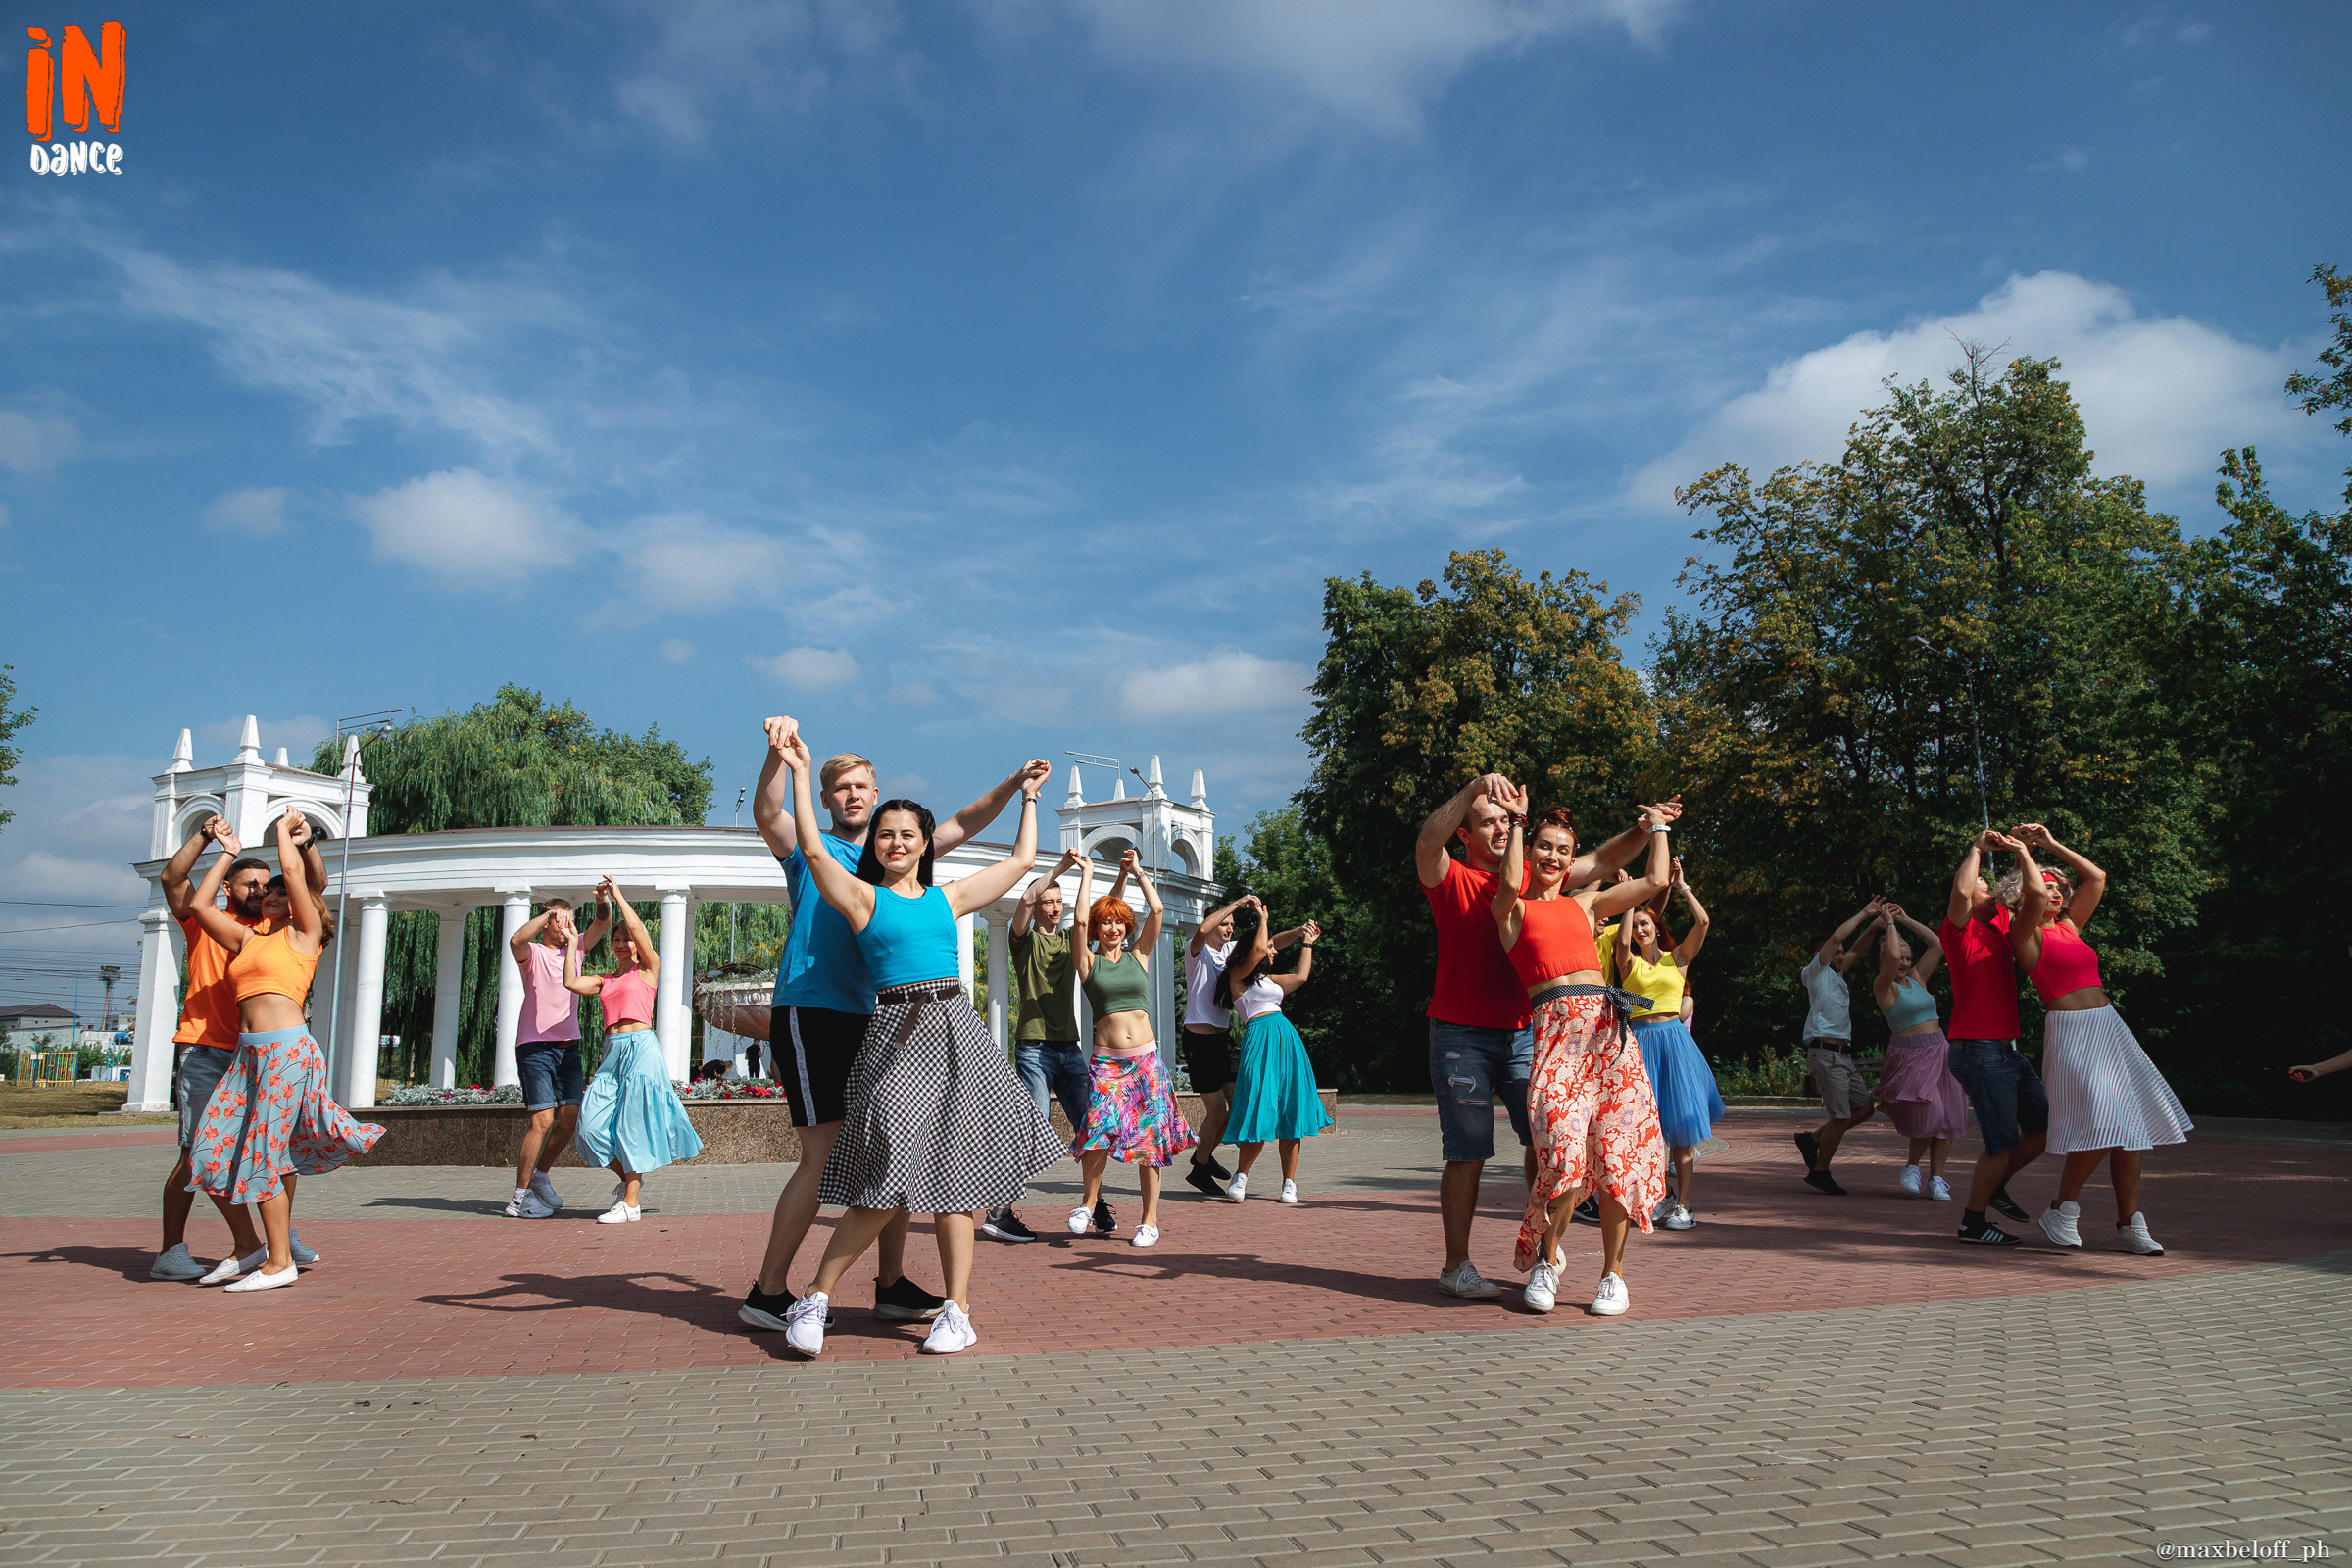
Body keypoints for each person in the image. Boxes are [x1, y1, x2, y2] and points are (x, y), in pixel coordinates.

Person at [738, 716, 1048, 1336]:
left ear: (879, 799)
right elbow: (767, 809)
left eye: (862, 786)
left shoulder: (894, 856)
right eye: (841, 787)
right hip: (815, 1010)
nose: (853, 795)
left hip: (880, 1019)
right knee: (823, 1157)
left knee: (893, 1154)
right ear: (826, 799)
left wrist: (1015, 787)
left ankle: (890, 1286)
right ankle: (768, 1291)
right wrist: (784, 757)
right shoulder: (809, 850)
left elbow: (964, 822)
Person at [1417, 771, 1681, 1299]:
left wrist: (1647, 825)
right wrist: (1472, 791)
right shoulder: (1455, 878)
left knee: (1548, 1138)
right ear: (1466, 835)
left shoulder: (1548, 883)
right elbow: (1427, 841)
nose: (1498, 827)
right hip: (1462, 1031)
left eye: (1506, 821)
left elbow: (1605, 862)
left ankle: (1547, 1243)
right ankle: (1457, 1265)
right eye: (1487, 822)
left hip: (1529, 1032)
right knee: (1467, 1150)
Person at [182, 811, 382, 1292]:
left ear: (294, 904)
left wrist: (283, 837)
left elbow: (295, 873)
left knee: (262, 1154)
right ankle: (256, 1249)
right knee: (210, 1150)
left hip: (287, 1053)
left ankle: (279, 1261)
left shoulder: (303, 935)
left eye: (276, 891)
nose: (268, 894)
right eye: (262, 891)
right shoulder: (247, 938)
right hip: (247, 1058)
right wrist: (226, 853)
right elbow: (198, 903)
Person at [1494, 796, 1673, 1316]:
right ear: (1530, 853)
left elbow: (1655, 882)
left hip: (1609, 1037)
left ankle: (1613, 1275)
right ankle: (1549, 1261)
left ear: (1572, 861)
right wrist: (1521, 822)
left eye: (1562, 850)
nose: (1552, 857)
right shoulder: (1513, 910)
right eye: (1544, 848)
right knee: (1563, 1158)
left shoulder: (1586, 905)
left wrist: (1657, 827)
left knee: (1620, 1155)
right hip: (1556, 1042)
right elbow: (1508, 883)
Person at [148, 814, 327, 1282]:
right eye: (251, 885)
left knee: (275, 1149)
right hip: (209, 1049)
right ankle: (189, 1248)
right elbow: (174, 880)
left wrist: (302, 843)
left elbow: (311, 884)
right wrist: (217, 843)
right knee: (201, 1153)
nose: (261, 891)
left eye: (268, 886)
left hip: (267, 1053)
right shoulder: (215, 927)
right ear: (229, 886)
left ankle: (275, 1243)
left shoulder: (285, 934)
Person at [2004, 823, 2190, 1255]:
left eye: (2058, 888)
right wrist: (2022, 855)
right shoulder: (2025, 935)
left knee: (2132, 1131)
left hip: (2109, 1027)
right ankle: (2061, 1208)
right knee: (2108, 1123)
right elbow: (2030, 895)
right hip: (2072, 1033)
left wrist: (2048, 844)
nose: (2055, 893)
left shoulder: (2070, 925)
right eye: (2047, 886)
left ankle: (2129, 1224)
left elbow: (2097, 877)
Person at [1065, 850, 1199, 1246]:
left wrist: (1138, 871)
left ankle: (1149, 1221)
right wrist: (1088, 872)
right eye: (1106, 922)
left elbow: (1156, 910)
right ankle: (1087, 1206)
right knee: (1096, 1135)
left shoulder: (1139, 955)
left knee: (1150, 1141)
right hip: (1107, 1065)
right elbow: (1077, 920)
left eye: (1119, 922)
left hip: (1146, 1063)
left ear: (1126, 927)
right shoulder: (1088, 963)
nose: (1112, 928)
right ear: (1097, 928)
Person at [566, 878, 703, 1223]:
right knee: (589, 1128)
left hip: (641, 1048)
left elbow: (638, 927)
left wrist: (619, 896)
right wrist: (572, 943)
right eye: (616, 939)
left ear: (638, 946)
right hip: (612, 1053)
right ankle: (629, 1181)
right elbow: (570, 981)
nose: (622, 943)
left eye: (626, 938)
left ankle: (630, 1202)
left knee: (631, 1124)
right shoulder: (604, 980)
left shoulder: (649, 970)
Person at [1600, 857, 1719, 1230]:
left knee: (1681, 1131)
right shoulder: (1628, 964)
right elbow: (1620, 940)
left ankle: (1684, 1205)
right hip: (1638, 1045)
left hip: (1675, 1046)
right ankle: (1652, 1198)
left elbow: (1703, 922)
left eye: (1645, 923)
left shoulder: (1677, 959)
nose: (1639, 930)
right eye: (1635, 926)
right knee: (1639, 1129)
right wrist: (1632, 901)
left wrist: (1682, 886)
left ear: (1656, 925)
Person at [1940, 830, 2045, 1246]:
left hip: (2004, 1049)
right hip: (1978, 1049)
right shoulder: (1958, 929)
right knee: (2000, 1143)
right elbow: (1964, 889)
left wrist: (2026, 846)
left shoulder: (2001, 922)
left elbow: (2017, 885)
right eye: (1982, 883)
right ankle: (1973, 1222)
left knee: (2041, 1128)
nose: (1987, 887)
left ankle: (1995, 1186)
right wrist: (1976, 850)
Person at [982, 848, 1086, 1245]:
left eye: (1059, 901)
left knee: (1090, 1128)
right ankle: (999, 1211)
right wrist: (1060, 868)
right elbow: (1024, 899)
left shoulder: (1069, 941)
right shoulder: (1023, 942)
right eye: (1049, 902)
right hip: (1035, 1048)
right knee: (1032, 1127)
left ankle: (1093, 1204)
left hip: (1069, 1047)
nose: (1055, 908)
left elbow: (1092, 917)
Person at [502, 894, 612, 1218]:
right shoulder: (532, 952)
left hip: (568, 1046)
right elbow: (515, 939)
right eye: (558, 919)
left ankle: (539, 1176)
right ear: (548, 920)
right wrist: (550, 913)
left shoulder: (575, 950)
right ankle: (518, 1199)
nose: (564, 925)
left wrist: (602, 899)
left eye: (568, 918)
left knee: (570, 1119)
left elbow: (603, 921)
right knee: (543, 1119)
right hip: (535, 1045)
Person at [1217, 904, 1326, 1202]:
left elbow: (1302, 976)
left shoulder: (1272, 980)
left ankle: (1289, 1183)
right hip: (1260, 1037)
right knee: (1259, 1106)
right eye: (1267, 947)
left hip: (1286, 1040)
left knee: (1290, 1109)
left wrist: (1305, 939)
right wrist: (1262, 919)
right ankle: (1241, 1177)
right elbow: (1258, 950)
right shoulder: (1237, 976)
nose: (1273, 950)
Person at [1868, 903, 1967, 1200]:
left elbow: (1936, 944)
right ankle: (1912, 1167)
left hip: (1940, 1049)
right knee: (1931, 1113)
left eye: (1908, 958)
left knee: (1948, 1118)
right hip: (1911, 1055)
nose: (1904, 962)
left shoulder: (1917, 979)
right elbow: (1892, 956)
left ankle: (1936, 1178)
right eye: (1899, 958)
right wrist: (1889, 925)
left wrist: (1906, 918)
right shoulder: (1884, 987)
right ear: (1885, 960)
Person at [1793, 899, 1886, 1195]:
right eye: (1837, 952)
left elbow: (1857, 948)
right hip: (1825, 1053)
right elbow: (1837, 939)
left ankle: (1814, 1139)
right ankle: (1820, 1171)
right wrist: (1863, 914)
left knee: (1864, 1109)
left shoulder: (1837, 976)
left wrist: (1874, 926)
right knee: (1841, 1116)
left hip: (1843, 1056)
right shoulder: (1815, 973)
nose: (1842, 954)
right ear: (1821, 955)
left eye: (1842, 953)